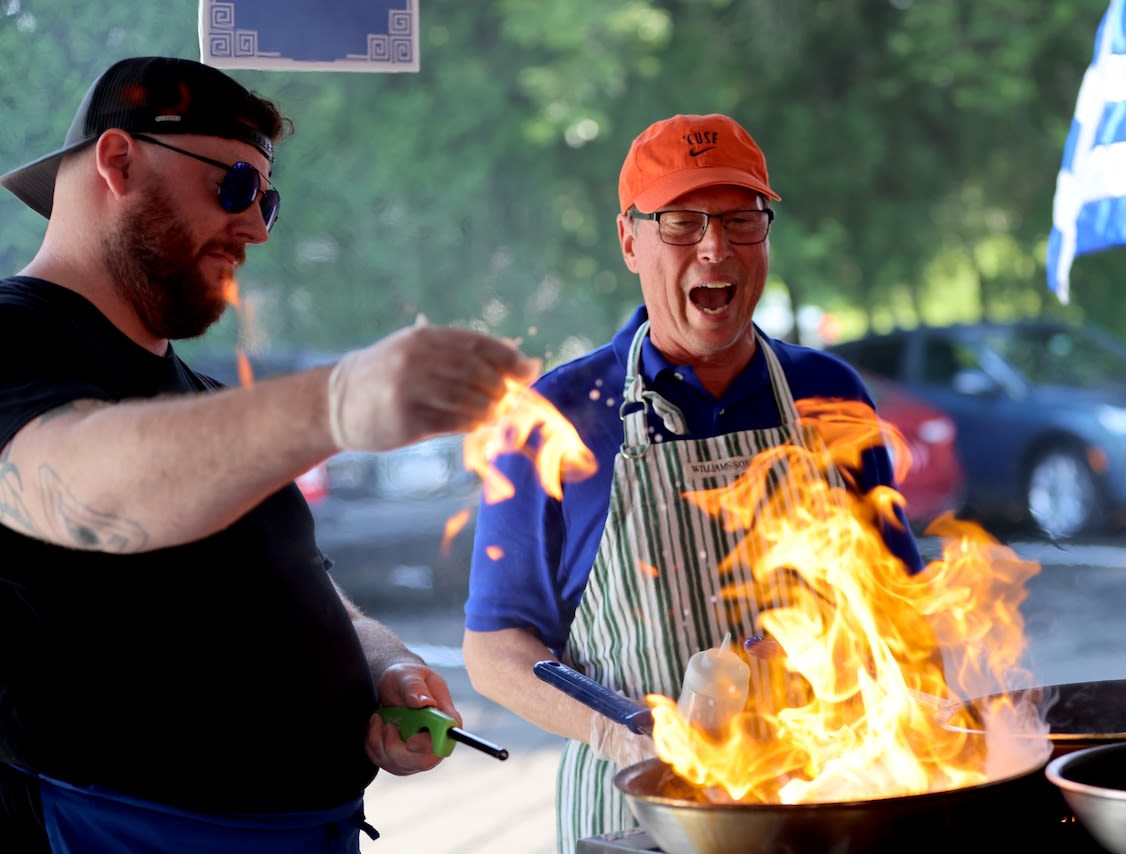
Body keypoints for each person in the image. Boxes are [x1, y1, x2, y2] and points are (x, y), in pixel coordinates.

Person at [0, 56, 537, 853]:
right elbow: (79, 480)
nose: (254, 226)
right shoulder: (17, 338)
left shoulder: (199, 391)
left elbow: (297, 578)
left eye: (266, 200)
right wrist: (336, 402)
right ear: (117, 161)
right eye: (235, 186)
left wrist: (384, 665)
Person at [461, 112, 925, 849]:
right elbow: (495, 650)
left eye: (742, 219)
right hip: (636, 819)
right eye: (680, 222)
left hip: (824, 805)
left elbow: (901, 606)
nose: (716, 246)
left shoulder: (827, 394)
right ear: (629, 239)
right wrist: (625, 738)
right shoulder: (557, 417)